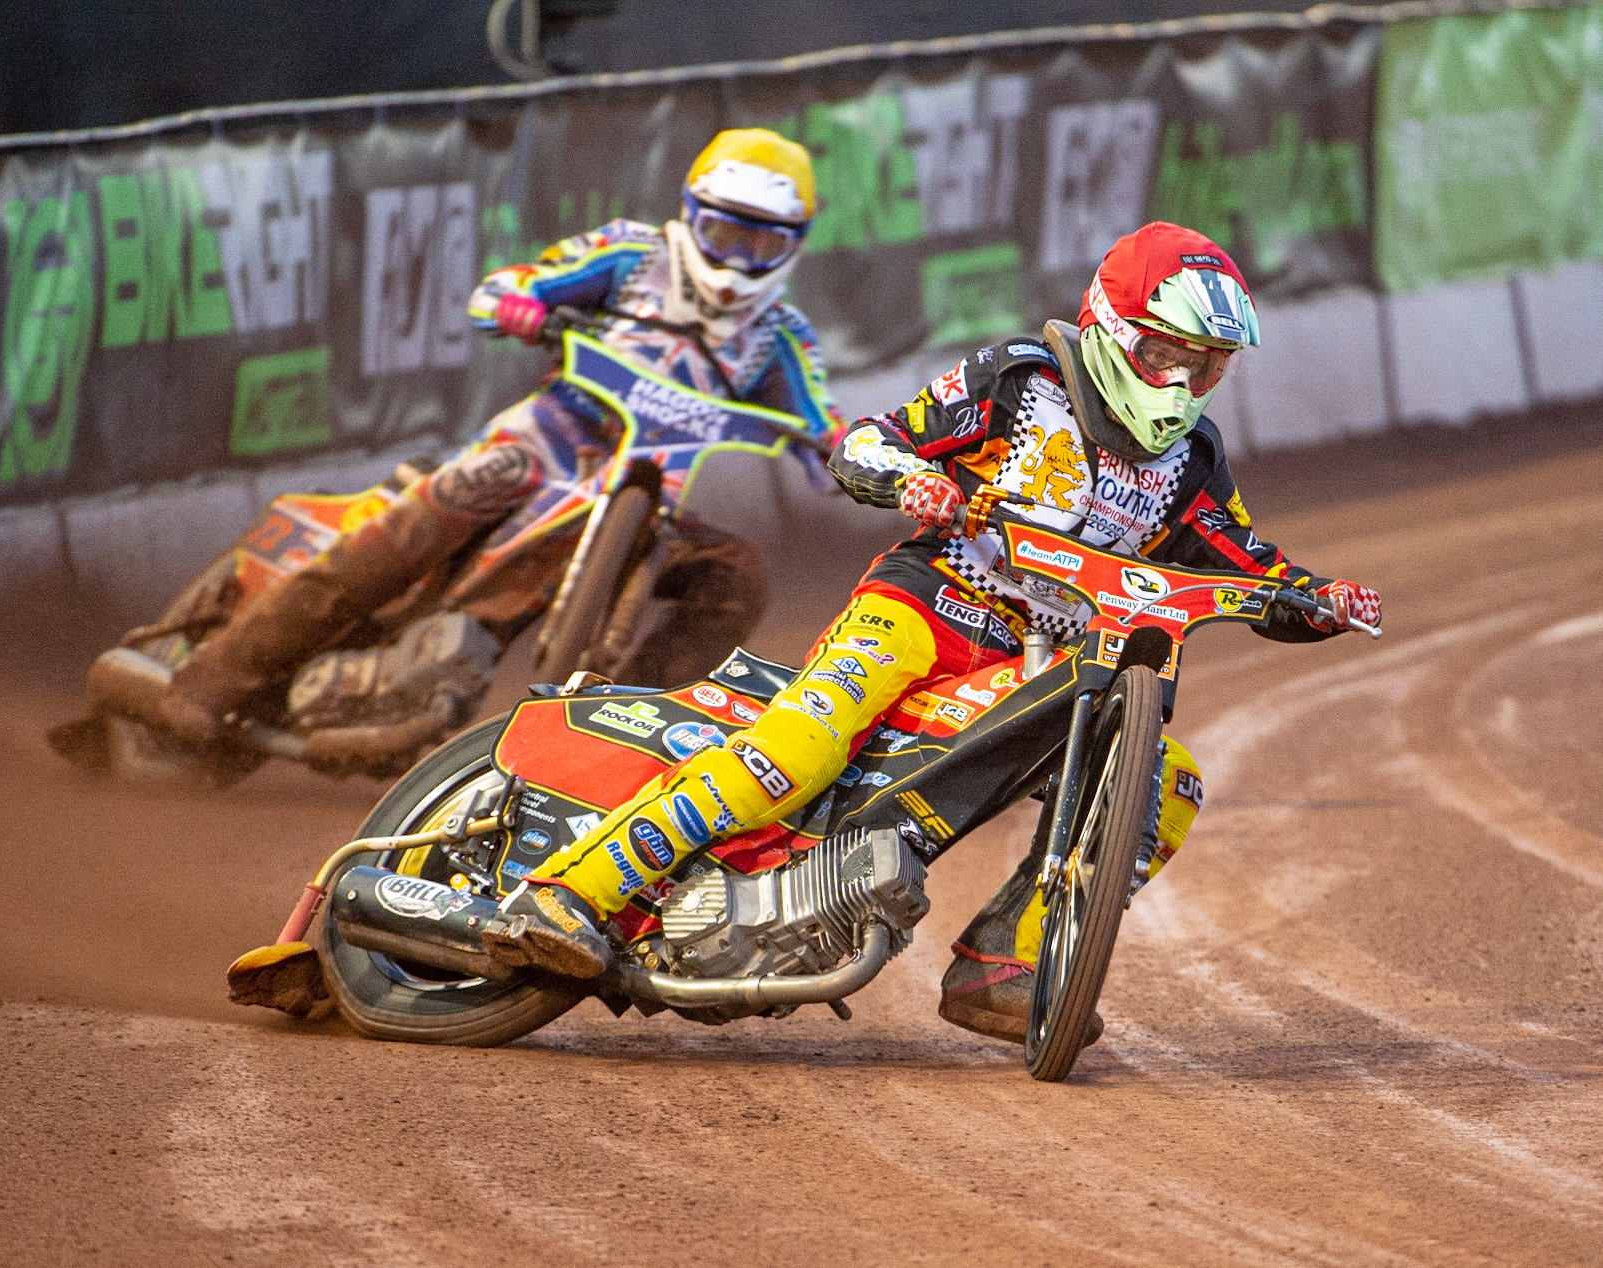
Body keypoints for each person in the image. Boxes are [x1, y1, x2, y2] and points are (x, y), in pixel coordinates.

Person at [481, 221, 1382, 1049]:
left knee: (1163, 782)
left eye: (1209, 366)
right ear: (1110, 327)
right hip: (923, 609)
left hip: (1037, 664)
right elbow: (871, 442)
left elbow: (1242, 557)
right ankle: (573, 892)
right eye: (1165, 355)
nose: (1184, 384)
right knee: (800, 745)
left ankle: (1004, 963)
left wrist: (1321, 598)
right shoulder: (1022, 379)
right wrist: (911, 478)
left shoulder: (1194, 457)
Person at [132, 128, 842, 748]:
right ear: (692, 214)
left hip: (649, 494)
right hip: (545, 444)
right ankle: (210, 681)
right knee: (448, 500)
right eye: (725, 233)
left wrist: (847, 450)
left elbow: (824, 424)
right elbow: (505, 288)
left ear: (794, 246)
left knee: (736, 570)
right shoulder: (630, 255)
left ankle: (637, 735)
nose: (737, 258)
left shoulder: (780, 338)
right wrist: (524, 307)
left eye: (761, 241)